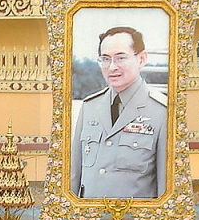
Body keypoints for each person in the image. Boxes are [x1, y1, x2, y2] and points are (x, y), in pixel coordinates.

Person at [70, 26, 167, 200]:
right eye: (105, 59)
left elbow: (166, 189)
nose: (112, 67)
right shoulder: (90, 106)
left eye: (121, 58)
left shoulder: (162, 111)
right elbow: (74, 175)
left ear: (141, 59)